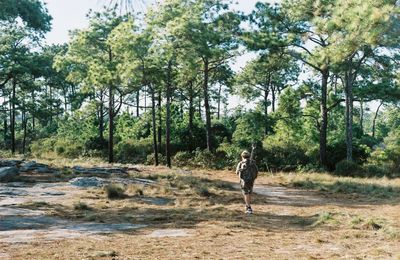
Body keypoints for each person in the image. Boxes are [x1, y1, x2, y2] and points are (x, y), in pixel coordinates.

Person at [236, 149, 258, 214]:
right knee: (249, 193)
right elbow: (256, 171)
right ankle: (247, 205)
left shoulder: (241, 163)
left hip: (244, 181)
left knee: (246, 193)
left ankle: (248, 207)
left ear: (242, 156)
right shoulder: (253, 163)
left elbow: (237, 172)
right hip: (251, 180)